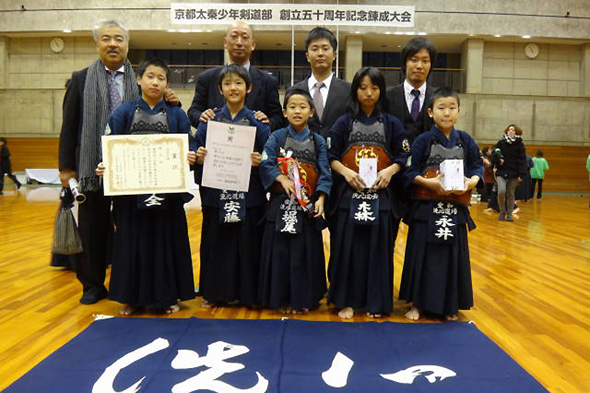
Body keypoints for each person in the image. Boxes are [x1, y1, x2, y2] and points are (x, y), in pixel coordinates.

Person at [95, 58, 196, 315]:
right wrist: (104, 166)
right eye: (150, 76)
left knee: (166, 244)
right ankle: (132, 298)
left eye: (161, 78)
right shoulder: (123, 112)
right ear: (139, 80)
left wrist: (192, 157)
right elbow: (110, 148)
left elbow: (190, 147)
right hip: (131, 196)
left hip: (168, 196)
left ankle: (168, 296)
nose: (155, 82)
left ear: (167, 84)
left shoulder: (176, 115)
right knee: (132, 244)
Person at [58, 20, 138, 305]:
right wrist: (66, 168)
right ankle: (92, 285)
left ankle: (130, 282)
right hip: (90, 165)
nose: (113, 44)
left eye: (119, 38)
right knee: (92, 227)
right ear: (97, 44)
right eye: (106, 38)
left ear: (127, 44)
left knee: (130, 225)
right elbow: (69, 125)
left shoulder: (140, 80)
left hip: (131, 167)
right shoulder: (81, 79)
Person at [327, 67, 409, 319]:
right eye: (363, 87)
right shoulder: (344, 122)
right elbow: (330, 156)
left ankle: (377, 302)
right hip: (348, 198)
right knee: (347, 249)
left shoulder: (392, 123)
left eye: (374, 88)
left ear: (381, 91)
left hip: (381, 198)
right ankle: (346, 301)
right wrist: (345, 172)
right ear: (355, 90)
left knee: (378, 251)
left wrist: (390, 171)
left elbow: (403, 155)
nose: (369, 93)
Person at [399, 87, 483, 321]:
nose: (447, 113)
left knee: (450, 257)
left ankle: (449, 305)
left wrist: (471, 182)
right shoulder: (422, 141)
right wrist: (428, 182)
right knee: (421, 255)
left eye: (452, 108)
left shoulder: (465, 140)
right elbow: (410, 171)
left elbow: (477, 166)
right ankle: (417, 303)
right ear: (430, 112)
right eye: (441, 108)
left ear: (459, 111)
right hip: (426, 208)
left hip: (454, 208)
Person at [192, 64, 270, 307]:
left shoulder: (258, 122)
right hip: (217, 192)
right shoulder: (210, 120)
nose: (233, 88)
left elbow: (270, 154)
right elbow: (196, 148)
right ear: (220, 89)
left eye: (238, 83)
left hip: (249, 194)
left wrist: (260, 160)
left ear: (249, 88)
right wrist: (199, 156)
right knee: (218, 243)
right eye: (228, 83)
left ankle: (249, 294)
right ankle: (216, 293)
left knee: (248, 244)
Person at [258, 89, 332, 314]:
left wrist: (321, 198)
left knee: (303, 254)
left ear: (311, 112)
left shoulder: (317, 140)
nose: (297, 111)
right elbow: (265, 162)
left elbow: (325, 171)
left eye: (302, 107)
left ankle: (303, 300)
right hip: (280, 205)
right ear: (284, 112)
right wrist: (280, 178)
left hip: (306, 207)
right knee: (280, 254)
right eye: (292, 106)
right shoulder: (276, 136)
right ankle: (278, 298)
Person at [187, 21, 283, 131]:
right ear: (225, 43)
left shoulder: (268, 81)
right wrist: (202, 117)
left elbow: (278, 118)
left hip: (255, 146)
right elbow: (193, 111)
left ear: (253, 45)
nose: (239, 42)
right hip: (216, 144)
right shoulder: (206, 78)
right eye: (234, 36)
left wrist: (266, 123)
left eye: (245, 37)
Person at [288, 27, 351, 139]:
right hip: (303, 154)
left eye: (325, 48)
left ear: (334, 55)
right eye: (315, 49)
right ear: (307, 56)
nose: (320, 53)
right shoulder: (294, 91)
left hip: (338, 154)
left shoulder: (348, 90)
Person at [386, 37, 437, 144]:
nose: (419, 66)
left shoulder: (438, 98)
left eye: (425, 61)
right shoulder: (387, 97)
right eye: (414, 60)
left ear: (431, 65)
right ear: (405, 63)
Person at [492, 124, 527, 222]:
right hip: (501, 171)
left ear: (516, 133)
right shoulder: (501, 143)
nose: (510, 131)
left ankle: (509, 214)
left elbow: (522, 159)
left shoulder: (520, 144)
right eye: (509, 130)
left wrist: (521, 174)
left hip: (514, 172)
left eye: (513, 130)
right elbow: (493, 154)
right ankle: (502, 211)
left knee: (510, 193)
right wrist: (499, 159)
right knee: (501, 191)